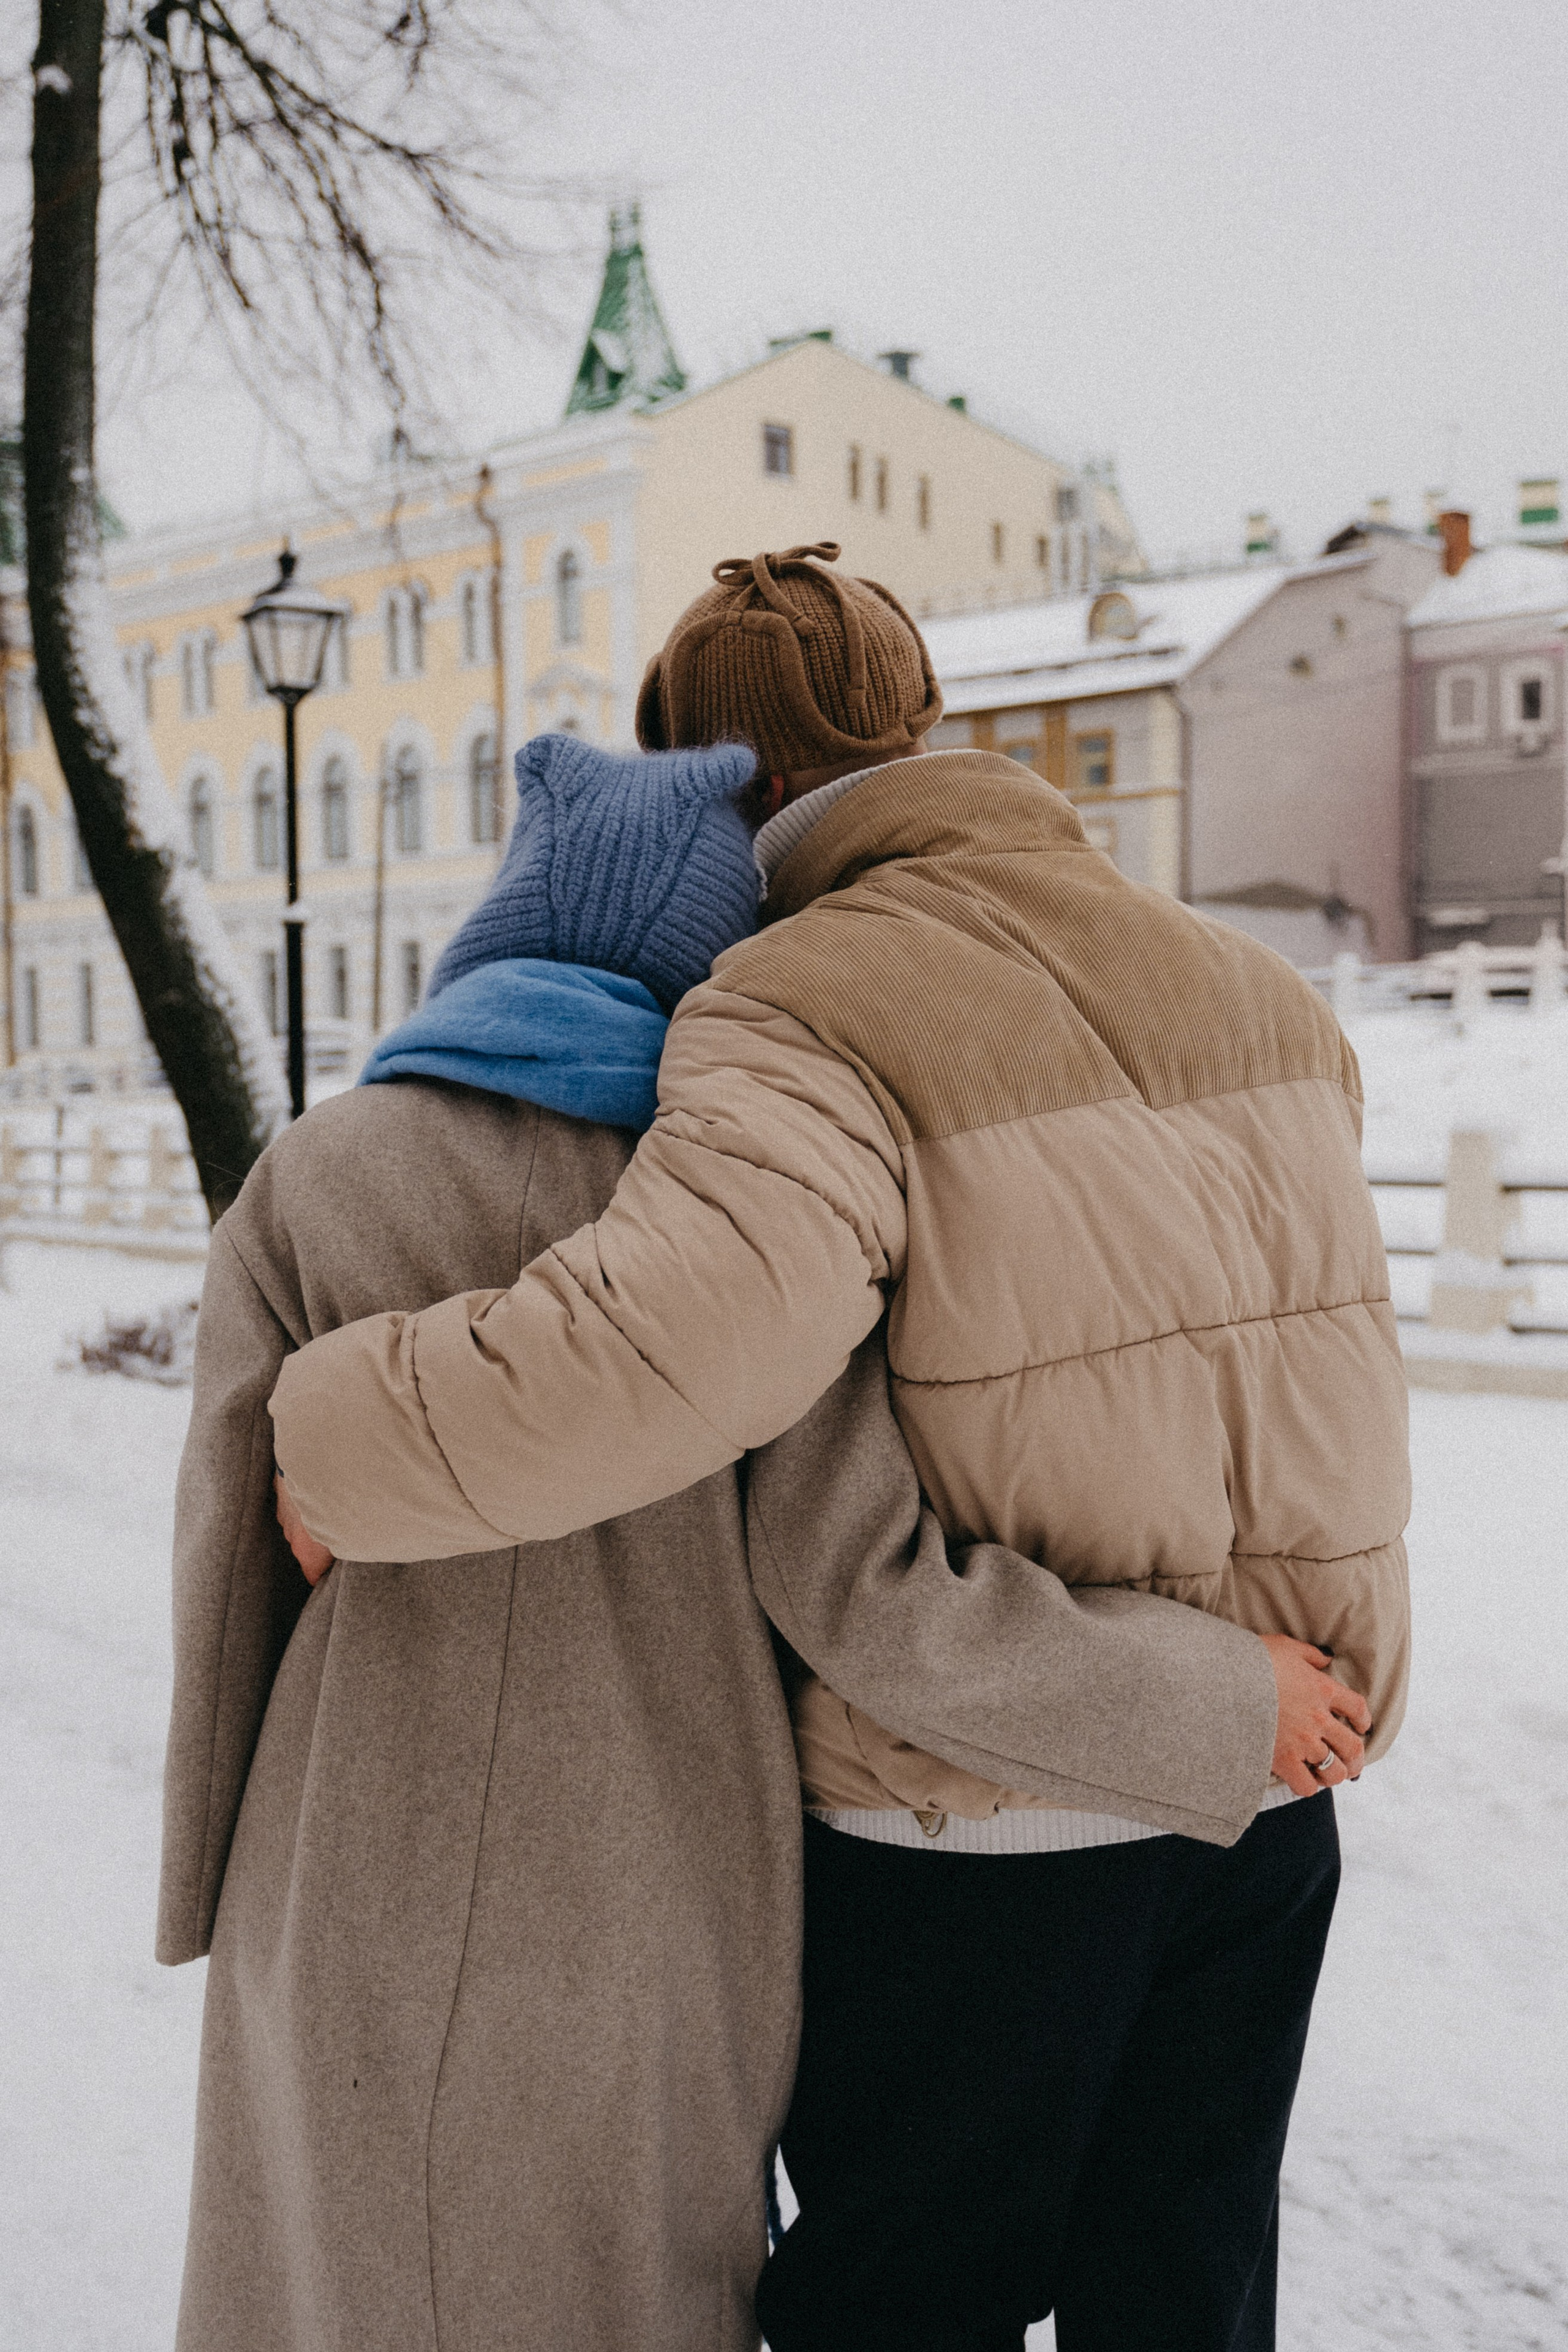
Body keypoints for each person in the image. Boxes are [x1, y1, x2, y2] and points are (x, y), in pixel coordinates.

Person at [270, 543, 1409, 2351]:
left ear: (739, 786)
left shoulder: (805, 1002)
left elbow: (653, 1353)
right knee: (1184, 2296)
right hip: (1274, 1796)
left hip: (989, 1823)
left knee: (905, 2305)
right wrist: (1248, 1696)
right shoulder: (1256, 990)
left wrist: (336, 1432)